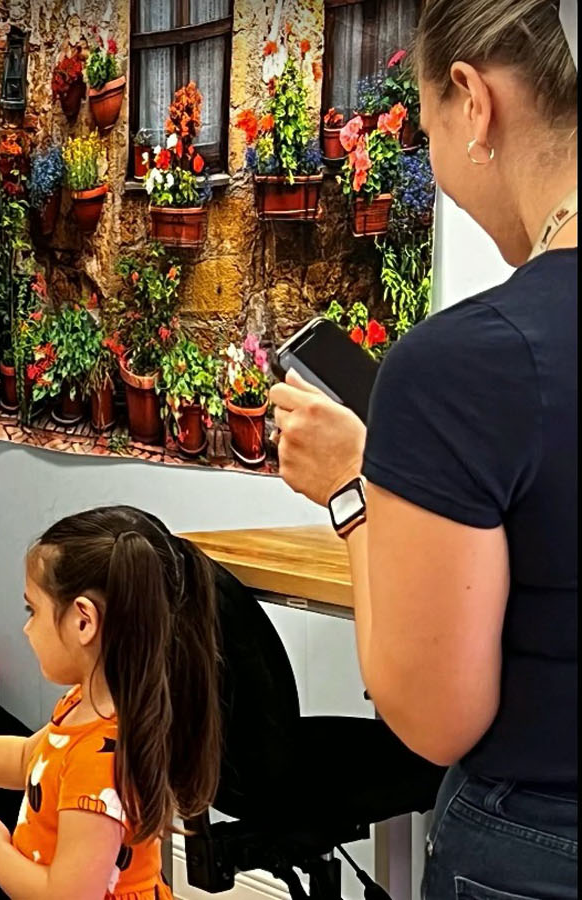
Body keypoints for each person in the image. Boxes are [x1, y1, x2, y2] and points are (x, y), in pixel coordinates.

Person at [272, 0, 577, 893]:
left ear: (472, 102)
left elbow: (433, 717)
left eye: (427, 131)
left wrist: (350, 488)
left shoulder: (461, 366)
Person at [0, 507, 220, 899]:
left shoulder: (99, 759)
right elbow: (27, 761)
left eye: (32, 610)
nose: (26, 627)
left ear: (83, 621)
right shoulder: (87, 705)